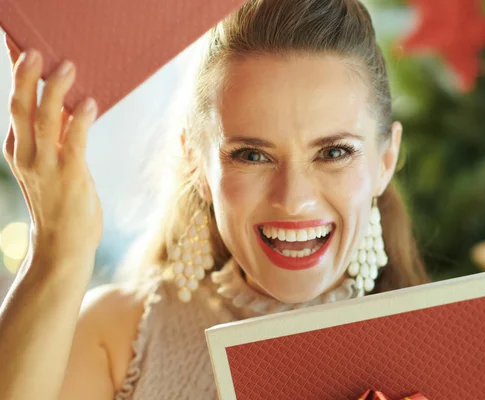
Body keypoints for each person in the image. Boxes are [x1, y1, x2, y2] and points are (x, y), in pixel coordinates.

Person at [0, 0, 429, 398]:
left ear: (385, 161)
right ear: (197, 165)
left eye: (334, 152)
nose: (294, 199)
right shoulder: (113, 339)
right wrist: (56, 255)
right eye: (251, 155)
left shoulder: (447, 346)